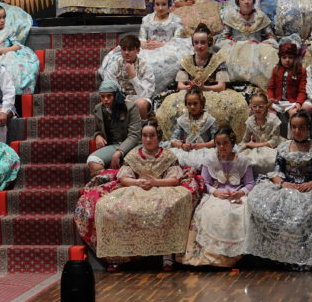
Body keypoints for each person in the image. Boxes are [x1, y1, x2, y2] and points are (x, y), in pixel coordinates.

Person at [90, 123, 196, 271]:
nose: (148, 139)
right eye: (145, 136)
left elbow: (174, 179)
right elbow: (124, 178)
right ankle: (117, 255)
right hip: (136, 189)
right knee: (110, 206)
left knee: (167, 206)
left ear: (158, 137)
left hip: (162, 188)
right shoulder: (134, 154)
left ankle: (166, 254)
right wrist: (137, 182)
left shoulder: (167, 156)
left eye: (152, 136)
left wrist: (156, 182)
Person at [246, 111, 312, 267]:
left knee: (310, 211)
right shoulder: (283, 147)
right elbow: (276, 173)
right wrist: (282, 183)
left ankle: (303, 254)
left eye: (301, 127)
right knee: (262, 202)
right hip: (286, 186)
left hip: (308, 188)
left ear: (308, 128)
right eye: (294, 127)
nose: (297, 131)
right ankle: (278, 255)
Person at [155, 28, 248, 142]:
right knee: (169, 107)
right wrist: (189, 87)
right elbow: (180, 86)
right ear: (193, 44)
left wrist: (204, 88)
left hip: (214, 92)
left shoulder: (217, 60)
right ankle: (177, 141)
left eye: (203, 42)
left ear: (209, 43)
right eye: (196, 43)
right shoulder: (187, 60)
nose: (199, 46)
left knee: (235, 106)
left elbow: (221, 86)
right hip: (191, 93)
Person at [181, 127, 254, 268]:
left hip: (237, 194)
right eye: (218, 144)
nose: (221, 147)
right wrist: (215, 192)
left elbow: (250, 183)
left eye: (225, 143)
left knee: (240, 212)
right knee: (212, 211)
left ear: (232, 143)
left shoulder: (243, 160)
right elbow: (205, 183)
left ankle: (232, 255)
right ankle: (211, 257)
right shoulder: (210, 160)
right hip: (216, 195)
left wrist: (241, 192)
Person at [99, 0, 190, 94]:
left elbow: (178, 39)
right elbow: (142, 37)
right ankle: (127, 89)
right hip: (148, 48)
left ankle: (152, 91)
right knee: (128, 58)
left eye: (164, 4)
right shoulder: (147, 19)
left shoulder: (176, 20)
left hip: (168, 48)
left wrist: (163, 44)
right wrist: (144, 44)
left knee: (161, 62)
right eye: (157, 4)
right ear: (154, 5)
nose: (160, 8)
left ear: (169, 5)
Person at [217, 0, 279, 89]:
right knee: (223, 56)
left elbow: (271, 37)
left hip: (257, 48)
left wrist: (264, 43)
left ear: (253, 1)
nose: (246, 2)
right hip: (237, 48)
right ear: (238, 2)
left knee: (270, 54)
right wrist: (237, 44)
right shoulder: (232, 17)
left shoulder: (260, 17)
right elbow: (222, 39)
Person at [87, 80, 142, 176]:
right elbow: (97, 130)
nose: (105, 99)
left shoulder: (131, 108)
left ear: (116, 96)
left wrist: (120, 151)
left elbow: (134, 135)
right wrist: (98, 135)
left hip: (133, 145)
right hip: (114, 145)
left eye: (109, 96)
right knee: (92, 161)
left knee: (133, 162)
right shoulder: (98, 109)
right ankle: (106, 182)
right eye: (102, 96)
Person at [0, 2, 39, 94]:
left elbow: (17, 45)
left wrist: (6, 50)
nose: (2, 20)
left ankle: (14, 90)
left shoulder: (8, 31)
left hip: (8, 54)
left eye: (4, 17)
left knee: (12, 67)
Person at [99, 34, 155, 121]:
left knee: (141, 103)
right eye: (124, 49)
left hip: (139, 98)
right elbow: (109, 87)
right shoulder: (115, 66)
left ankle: (143, 128)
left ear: (137, 50)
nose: (126, 53)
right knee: (105, 103)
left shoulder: (146, 67)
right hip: (121, 99)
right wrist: (122, 100)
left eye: (130, 49)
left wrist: (133, 76)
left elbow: (146, 94)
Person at [166, 87, 217, 171]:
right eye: (189, 104)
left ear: (201, 103)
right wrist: (182, 145)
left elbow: (215, 141)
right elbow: (173, 140)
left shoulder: (209, 120)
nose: (192, 107)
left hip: (205, 151)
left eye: (195, 103)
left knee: (214, 157)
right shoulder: (182, 120)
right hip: (186, 152)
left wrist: (201, 146)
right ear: (186, 105)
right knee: (171, 156)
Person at [236, 92, 282, 175]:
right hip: (257, 147)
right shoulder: (250, 121)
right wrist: (240, 148)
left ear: (266, 106)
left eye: (261, 106)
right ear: (251, 106)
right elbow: (245, 139)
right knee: (241, 157)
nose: (257, 109)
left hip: (271, 147)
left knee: (266, 159)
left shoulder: (273, 119)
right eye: (254, 106)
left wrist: (255, 145)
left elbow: (274, 141)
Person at [266, 42, 308, 128]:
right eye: (284, 57)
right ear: (280, 58)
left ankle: (291, 135)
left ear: (295, 58)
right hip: (277, 101)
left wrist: (299, 102)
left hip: (292, 102)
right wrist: (270, 98)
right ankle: (273, 134)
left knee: (295, 115)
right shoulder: (276, 70)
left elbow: (302, 90)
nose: (287, 60)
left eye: (290, 57)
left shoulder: (301, 71)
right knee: (270, 114)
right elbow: (271, 88)